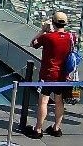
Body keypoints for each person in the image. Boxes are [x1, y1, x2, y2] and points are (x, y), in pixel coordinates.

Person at [29, 11, 74, 139]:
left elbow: (32, 43)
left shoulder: (48, 37)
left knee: (43, 101)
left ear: (53, 22)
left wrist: (43, 30)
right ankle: (56, 128)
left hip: (48, 74)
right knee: (59, 100)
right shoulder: (71, 37)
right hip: (63, 75)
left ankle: (38, 129)